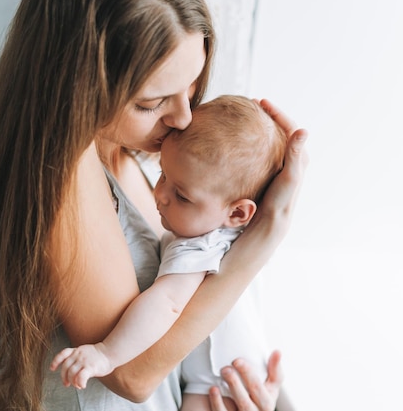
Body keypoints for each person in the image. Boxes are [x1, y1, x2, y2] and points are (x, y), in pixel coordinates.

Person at [0, 0, 308, 411]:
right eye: (151, 102)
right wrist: (264, 237)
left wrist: (242, 387)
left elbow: (183, 337)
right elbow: (131, 376)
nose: (183, 117)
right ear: (81, 85)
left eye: (192, 86)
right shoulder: (65, 178)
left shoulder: (133, 153)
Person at [50, 95, 286, 411]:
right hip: (235, 379)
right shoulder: (231, 230)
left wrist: (107, 353)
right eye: (162, 174)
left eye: (182, 196)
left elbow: (168, 303)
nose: (160, 194)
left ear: (239, 213)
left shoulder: (200, 245)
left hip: (219, 387)